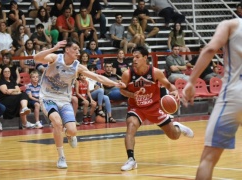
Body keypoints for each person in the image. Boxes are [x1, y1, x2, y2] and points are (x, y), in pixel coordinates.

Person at [34, 39, 125, 169]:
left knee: (72, 130)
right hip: (48, 97)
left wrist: (115, 83)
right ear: (67, 49)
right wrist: (54, 48)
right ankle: (61, 156)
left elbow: (97, 77)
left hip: (64, 99)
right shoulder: (55, 58)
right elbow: (36, 57)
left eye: (78, 49)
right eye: (75, 49)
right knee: (57, 122)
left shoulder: (78, 66)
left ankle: (69, 134)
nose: (78, 51)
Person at [182, 18, 242, 180]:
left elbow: (210, 49)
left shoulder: (231, 25)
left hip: (235, 94)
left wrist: (192, 81)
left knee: (208, 159)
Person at [119, 46, 194, 171]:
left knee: (174, 136)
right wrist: (132, 95)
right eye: (133, 57)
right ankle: (131, 159)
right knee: (131, 126)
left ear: (145, 58)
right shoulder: (128, 74)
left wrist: (175, 92)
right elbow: (122, 90)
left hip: (154, 107)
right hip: (136, 107)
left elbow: (170, 86)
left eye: (137, 57)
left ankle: (178, 127)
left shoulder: (155, 72)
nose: (134, 60)